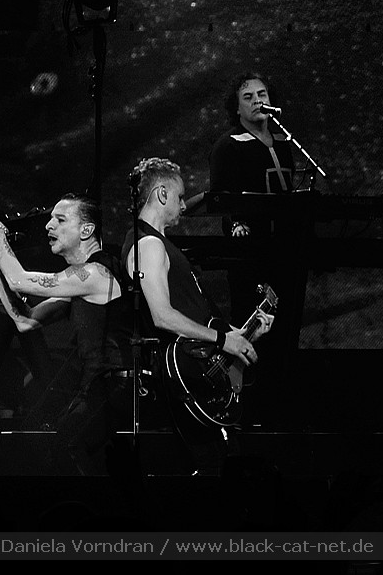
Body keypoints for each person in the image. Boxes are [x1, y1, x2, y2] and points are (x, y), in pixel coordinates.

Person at [122, 157, 273, 475]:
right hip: (182, 374)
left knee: (221, 463)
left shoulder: (158, 244)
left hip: (198, 367)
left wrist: (242, 334)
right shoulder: (148, 244)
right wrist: (223, 340)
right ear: (162, 194)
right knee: (211, 466)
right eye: (179, 197)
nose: (183, 205)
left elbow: (194, 313)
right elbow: (162, 316)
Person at [0, 192, 133, 475]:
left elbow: (20, 281)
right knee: (58, 446)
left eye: (60, 220)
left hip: (115, 387)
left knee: (66, 446)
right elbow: (26, 321)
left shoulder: (96, 273)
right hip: (100, 387)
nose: (48, 226)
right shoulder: (81, 282)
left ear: (86, 230)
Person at [209, 72, 307, 406]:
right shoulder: (228, 146)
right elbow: (221, 198)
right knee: (250, 320)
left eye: (261, 94)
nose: (257, 101)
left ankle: (280, 394)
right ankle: (242, 397)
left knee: (285, 322)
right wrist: (237, 224)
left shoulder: (283, 143)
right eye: (248, 97)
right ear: (236, 108)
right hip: (249, 251)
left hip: (285, 249)